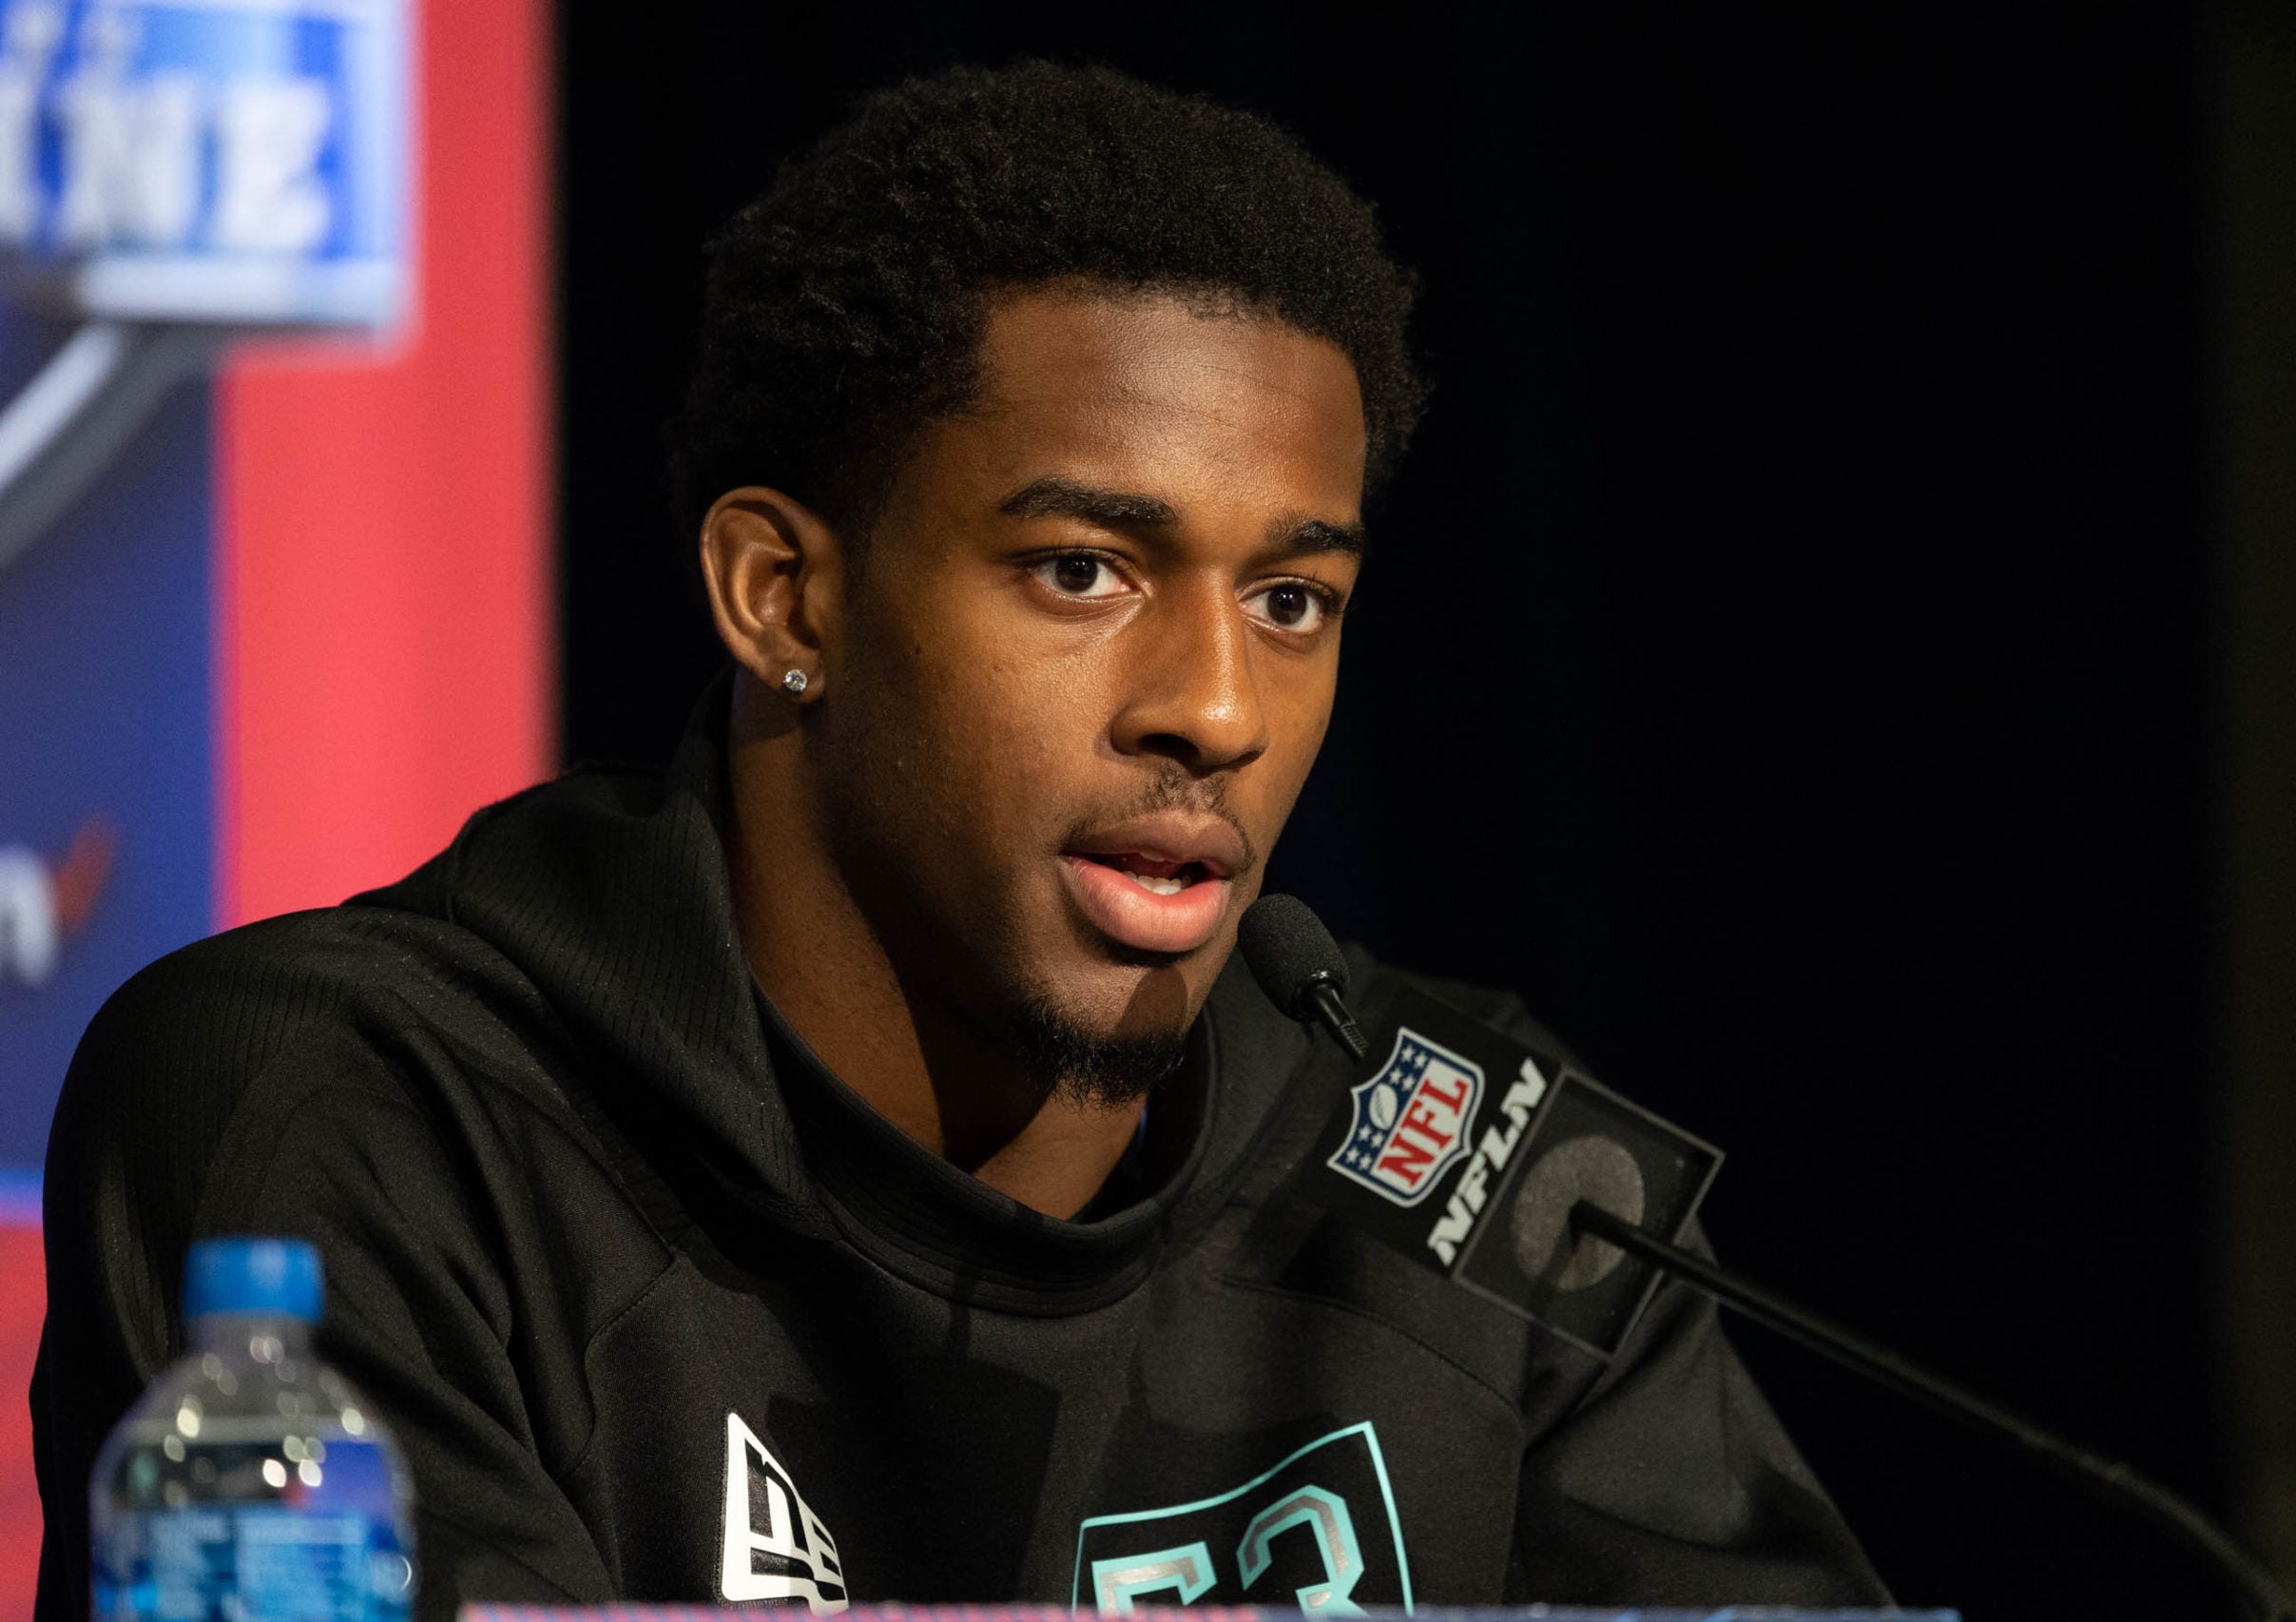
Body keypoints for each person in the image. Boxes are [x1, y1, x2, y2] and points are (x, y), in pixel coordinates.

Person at [32, 62, 1886, 1619]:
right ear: (783, 598)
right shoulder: (366, 1116)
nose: (1216, 709)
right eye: (1083, 571)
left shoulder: (1474, 1184)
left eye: (1292, 601)